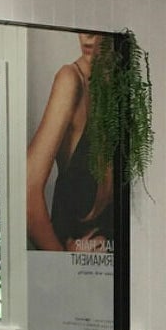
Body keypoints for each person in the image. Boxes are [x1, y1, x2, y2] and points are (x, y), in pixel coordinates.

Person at [26, 33, 114, 253]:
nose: (87, 35)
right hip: (71, 269)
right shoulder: (71, 80)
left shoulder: (125, 90)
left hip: (113, 271)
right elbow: (25, 191)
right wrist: (65, 265)